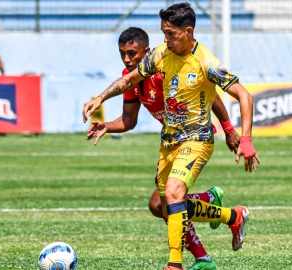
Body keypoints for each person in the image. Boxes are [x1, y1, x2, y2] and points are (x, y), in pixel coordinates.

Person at [83, 3, 261, 270]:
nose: (165, 39)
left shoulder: (206, 62)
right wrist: (101, 100)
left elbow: (241, 96)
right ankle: (229, 215)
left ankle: (175, 264)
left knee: (174, 193)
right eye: (163, 33)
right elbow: (130, 81)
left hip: (197, 139)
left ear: (187, 32)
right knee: (163, 206)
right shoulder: (160, 55)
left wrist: (238, 135)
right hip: (168, 143)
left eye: (170, 34)